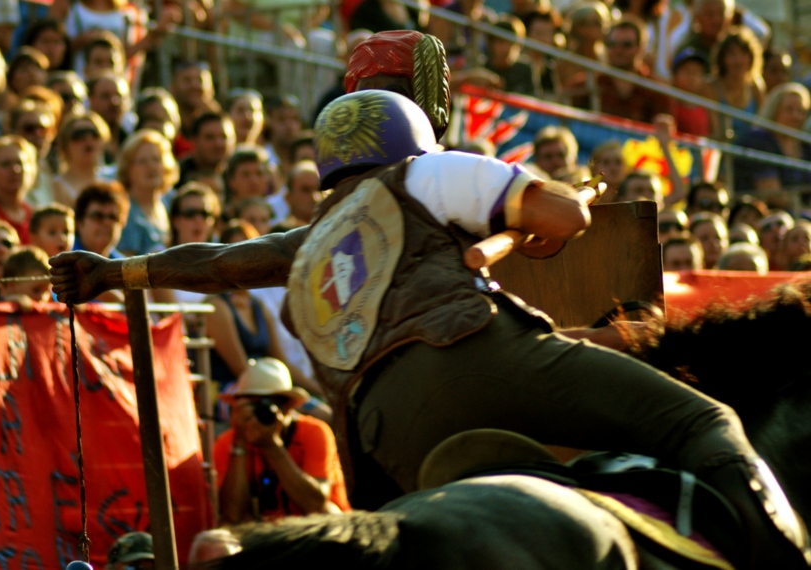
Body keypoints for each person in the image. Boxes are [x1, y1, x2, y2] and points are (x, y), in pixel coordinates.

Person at [50, 90, 811, 569]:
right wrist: (545, 231)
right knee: (702, 419)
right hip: (478, 359)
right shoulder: (429, 173)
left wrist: (116, 273)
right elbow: (565, 214)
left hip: (384, 440)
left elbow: (217, 261)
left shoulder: (309, 239)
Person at [214, 357, 349, 523]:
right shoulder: (227, 442)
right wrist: (240, 443)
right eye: (252, 405)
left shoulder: (314, 432)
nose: (258, 413)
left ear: (287, 407)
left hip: (313, 531)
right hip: (262, 533)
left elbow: (315, 505)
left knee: (329, 512)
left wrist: (271, 446)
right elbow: (233, 514)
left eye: (266, 405)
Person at [571, 18, 672, 123]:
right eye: (612, 44)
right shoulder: (584, 85)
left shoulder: (659, 92)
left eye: (626, 45)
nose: (618, 50)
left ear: (641, 47)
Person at [736, 83, 811, 196]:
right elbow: (772, 194)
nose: (796, 116)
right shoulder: (759, 140)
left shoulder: (805, 146)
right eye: (789, 110)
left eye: (801, 111)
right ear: (774, 111)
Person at [115, 129, 176, 256]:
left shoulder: (170, 201)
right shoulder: (124, 210)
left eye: (156, 160)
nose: (151, 166)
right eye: (142, 161)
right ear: (128, 168)